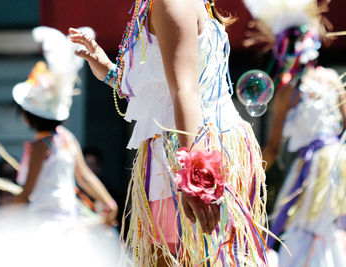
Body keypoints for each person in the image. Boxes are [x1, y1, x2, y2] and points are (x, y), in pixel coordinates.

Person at [70, 0, 268, 266]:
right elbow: (159, 91)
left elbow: (184, 91)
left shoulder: (171, 2)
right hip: (187, 150)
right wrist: (107, 70)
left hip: (188, 151)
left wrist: (195, 180)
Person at [242, 0, 346, 265]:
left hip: (334, 168)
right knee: (309, 226)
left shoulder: (330, 81)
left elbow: (274, 148)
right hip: (311, 172)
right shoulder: (287, 93)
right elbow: (273, 148)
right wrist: (247, 179)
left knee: (328, 226)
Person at [12, 26, 118, 229]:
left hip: (48, 226)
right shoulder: (66, 138)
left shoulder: (41, 146)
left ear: (28, 117)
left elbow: (27, 192)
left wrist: (0, 217)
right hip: (70, 222)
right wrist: (109, 202)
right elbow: (85, 176)